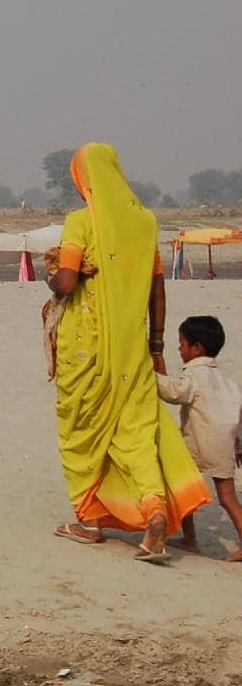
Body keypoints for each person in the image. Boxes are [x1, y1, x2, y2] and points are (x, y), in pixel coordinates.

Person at [47, 144, 209, 560]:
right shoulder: (145, 223)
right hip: (133, 353)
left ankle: (88, 522)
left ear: (85, 180)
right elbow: (158, 289)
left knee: (80, 433)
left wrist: (54, 276)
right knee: (135, 436)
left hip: (85, 353)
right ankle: (154, 508)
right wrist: (156, 346)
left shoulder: (81, 222)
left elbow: (65, 285)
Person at [156, 315, 242, 558]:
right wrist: (239, 446)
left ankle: (190, 538)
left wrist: (151, 378)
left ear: (196, 348)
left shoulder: (194, 375)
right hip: (225, 441)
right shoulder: (227, 380)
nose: (179, 349)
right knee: (227, 497)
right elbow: (239, 414)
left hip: (199, 442)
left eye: (182, 344)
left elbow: (176, 393)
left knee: (181, 487)